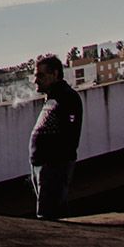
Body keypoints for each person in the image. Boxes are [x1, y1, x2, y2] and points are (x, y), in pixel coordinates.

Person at [29, 54, 82, 220]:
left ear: (55, 74)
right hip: (43, 168)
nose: (35, 80)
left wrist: (54, 165)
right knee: (52, 212)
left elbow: (71, 136)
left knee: (49, 215)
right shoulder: (51, 99)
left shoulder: (67, 97)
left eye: (40, 75)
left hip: (53, 167)